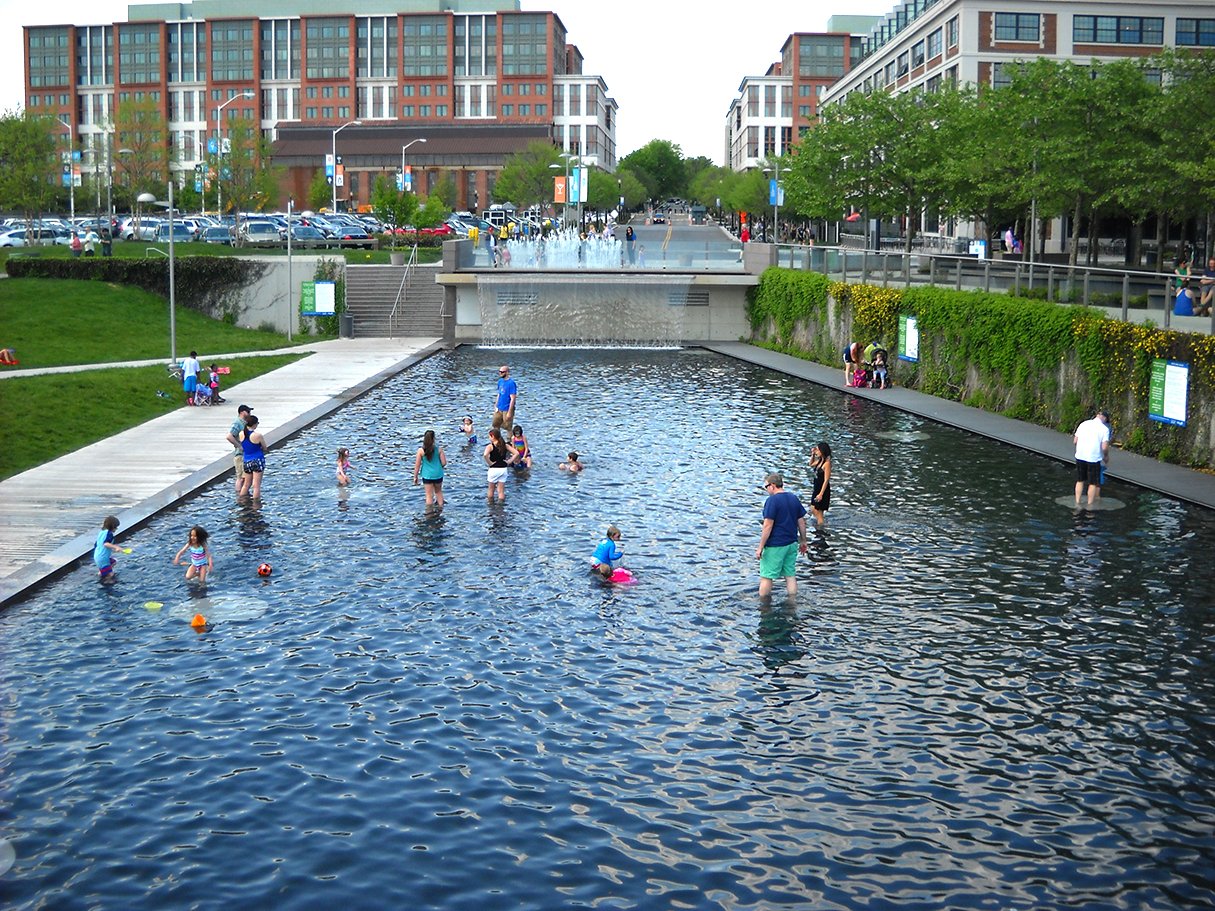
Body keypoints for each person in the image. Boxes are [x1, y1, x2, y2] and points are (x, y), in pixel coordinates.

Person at [755, 472, 808, 598]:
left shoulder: (772, 501)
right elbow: (801, 522)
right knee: (790, 575)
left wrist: (760, 547)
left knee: (766, 576)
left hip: (775, 545)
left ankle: (764, 607)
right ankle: (792, 602)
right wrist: (803, 541)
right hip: (791, 543)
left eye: (766, 487)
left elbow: (768, 525)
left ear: (772, 485)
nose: (767, 490)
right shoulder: (793, 498)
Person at [1073, 409, 1111, 506]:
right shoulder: (1104, 429)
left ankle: (1077, 502)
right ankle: (1090, 505)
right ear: (1105, 419)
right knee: (1093, 483)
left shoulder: (1083, 424)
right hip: (1093, 458)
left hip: (1080, 456)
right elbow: (1104, 447)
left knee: (1080, 480)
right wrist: (1106, 456)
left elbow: (1075, 441)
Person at [413, 429, 447, 509]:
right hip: (438, 474)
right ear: (433, 439)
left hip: (427, 475)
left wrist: (415, 477)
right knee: (438, 492)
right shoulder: (439, 449)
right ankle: (441, 509)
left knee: (429, 495)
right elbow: (444, 463)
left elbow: (417, 465)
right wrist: (438, 466)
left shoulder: (421, 451)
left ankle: (429, 513)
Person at [225, 405, 254, 493]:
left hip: (245, 455)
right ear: (242, 412)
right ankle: (239, 495)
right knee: (240, 478)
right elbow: (229, 436)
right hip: (240, 455)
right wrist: (239, 446)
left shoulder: (244, 423)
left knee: (245, 477)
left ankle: (243, 494)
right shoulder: (237, 423)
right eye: (248, 412)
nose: (249, 414)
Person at [483, 427, 516, 502]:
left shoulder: (490, 446)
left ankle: (491, 506)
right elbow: (516, 453)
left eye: (489, 436)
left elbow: (485, 455)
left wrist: (490, 463)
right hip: (503, 469)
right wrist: (509, 461)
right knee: (501, 491)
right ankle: (501, 507)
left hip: (494, 469)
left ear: (493, 436)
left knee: (491, 489)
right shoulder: (505, 445)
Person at [237, 415, 266, 498]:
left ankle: (242, 501)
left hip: (246, 461)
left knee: (246, 485)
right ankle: (256, 507)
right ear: (255, 424)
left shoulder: (241, 434)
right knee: (256, 486)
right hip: (257, 460)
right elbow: (265, 447)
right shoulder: (257, 435)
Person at [93, 515, 125, 582]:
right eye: (116, 527)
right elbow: (106, 544)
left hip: (97, 556)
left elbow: (96, 544)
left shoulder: (101, 533)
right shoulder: (109, 533)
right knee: (111, 575)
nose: (116, 529)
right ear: (112, 527)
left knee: (113, 562)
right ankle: (106, 581)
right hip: (103, 558)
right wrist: (116, 547)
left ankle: (101, 573)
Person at [808, 443, 833, 527]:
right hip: (816, 488)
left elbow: (826, 480)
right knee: (816, 510)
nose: (816, 451)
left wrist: (821, 494)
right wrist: (812, 454)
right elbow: (810, 464)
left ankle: (821, 527)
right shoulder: (819, 461)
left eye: (818, 450)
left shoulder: (827, 464)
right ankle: (821, 525)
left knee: (815, 509)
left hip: (822, 490)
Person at [492, 364, 517, 430]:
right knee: (495, 424)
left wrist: (510, 411)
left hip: (507, 408)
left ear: (507, 372)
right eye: (499, 372)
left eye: (502, 372)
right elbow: (499, 394)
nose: (500, 373)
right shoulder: (500, 381)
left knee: (508, 427)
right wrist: (496, 405)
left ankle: (509, 439)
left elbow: (513, 398)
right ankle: (498, 439)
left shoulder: (511, 383)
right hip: (499, 407)